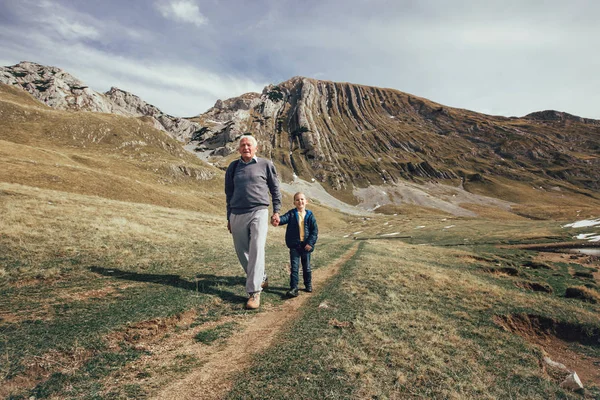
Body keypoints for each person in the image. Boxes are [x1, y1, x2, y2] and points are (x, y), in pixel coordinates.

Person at [225, 135, 282, 309]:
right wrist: (229, 217)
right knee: (242, 251)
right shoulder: (233, 167)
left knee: (256, 248)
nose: (246, 148)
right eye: (242, 145)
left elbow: (275, 188)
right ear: (238, 149)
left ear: (256, 148)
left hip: (259, 211)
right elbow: (229, 194)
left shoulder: (265, 165)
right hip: (237, 213)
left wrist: (276, 211)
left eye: (249, 145)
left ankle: (254, 292)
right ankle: (261, 276)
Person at [275, 192, 318, 297]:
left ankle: (308, 285)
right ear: (294, 202)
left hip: (306, 246)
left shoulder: (310, 215)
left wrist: (310, 243)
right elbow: (283, 219)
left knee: (306, 267)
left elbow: (314, 231)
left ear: (306, 201)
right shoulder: (291, 214)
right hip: (295, 245)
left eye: (302, 199)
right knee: (294, 268)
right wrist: (277, 219)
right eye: (297, 200)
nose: (300, 201)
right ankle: (294, 288)